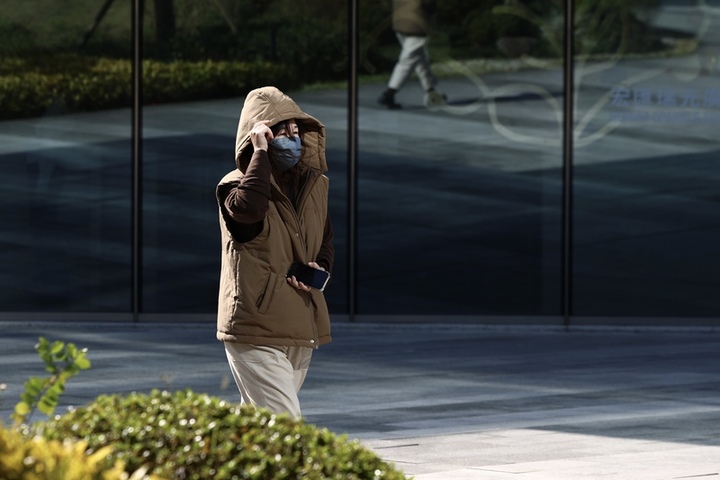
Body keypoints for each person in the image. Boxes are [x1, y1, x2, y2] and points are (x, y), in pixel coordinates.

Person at [215, 86, 334, 420]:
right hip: (255, 327)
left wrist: (318, 269)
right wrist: (261, 152)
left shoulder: (315, 185)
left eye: (297, 132)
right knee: (285, 424)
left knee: (256, 427)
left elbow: (324, 241)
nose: (292, 139)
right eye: (280, 132)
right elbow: (249, 210)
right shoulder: (234, 187)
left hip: (298, 326)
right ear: (256, 137)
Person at [377, 0, 446, 110]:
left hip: (401, 20)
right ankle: (389, 93)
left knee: (420, 58)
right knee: (407, 61)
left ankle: (432, 93)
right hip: (418, 23)